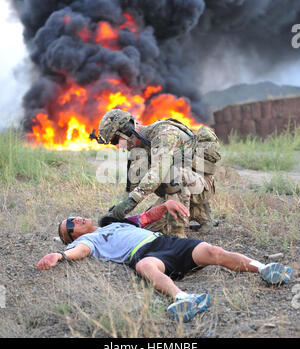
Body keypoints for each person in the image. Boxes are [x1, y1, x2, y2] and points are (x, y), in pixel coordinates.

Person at [37, 200, 293, 323]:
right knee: (145, 267)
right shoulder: (89, 242)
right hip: (144, 254)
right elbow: (79, 251)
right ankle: (184, 299)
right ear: (71, 237)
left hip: (166, 243)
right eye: (70, 225)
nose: (76, 219)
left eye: (74, 217)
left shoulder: (113, 223)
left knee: (214, 252)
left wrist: (167, 204)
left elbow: (146, 218)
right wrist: (60, 256)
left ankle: (265, 268)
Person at [92, 109, 221, 238]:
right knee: (146, 229)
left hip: (202, 186)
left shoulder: (165, 134)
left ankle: (177, 233)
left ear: (128, 129)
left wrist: (130, 202)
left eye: (116, 140)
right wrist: (117, 211)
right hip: (185, 188)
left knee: (171, 174)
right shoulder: (138, 150)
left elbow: (158, 172)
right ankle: (200, 214)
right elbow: (132, 186)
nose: (118, 146)